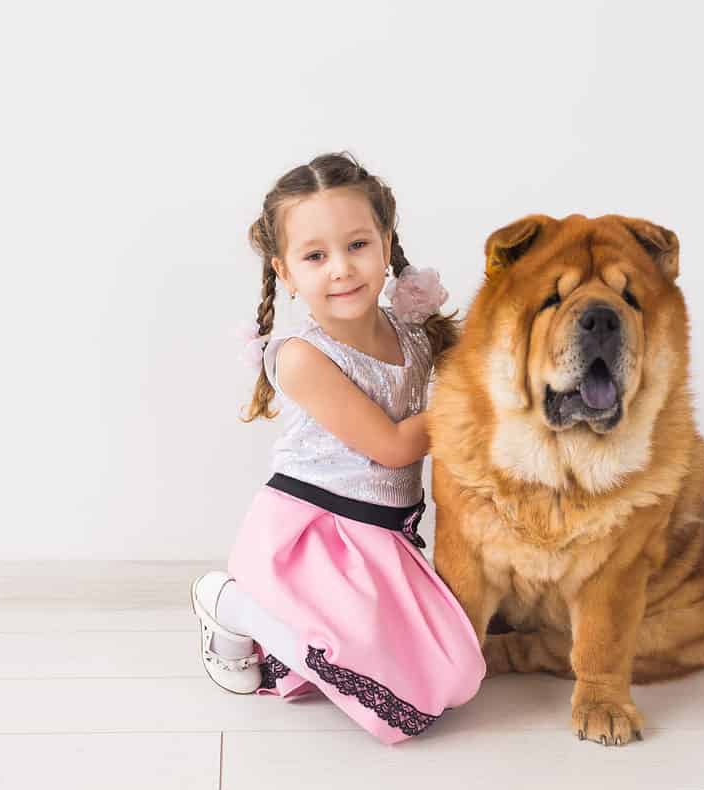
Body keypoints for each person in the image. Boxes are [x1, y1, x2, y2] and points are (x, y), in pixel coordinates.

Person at [189, 151, 485, 744]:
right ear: (287, 271)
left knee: (460, 676)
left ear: (386, 243)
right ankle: (233, 606)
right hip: (314, 539)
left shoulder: (415, 334)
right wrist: (480, 404)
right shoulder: (302, 357)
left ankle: (305, 634)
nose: (341, 269)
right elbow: (396, 447)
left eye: (357, 245)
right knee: (407, 713)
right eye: (315, 256)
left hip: (383, 539)